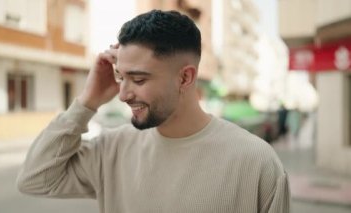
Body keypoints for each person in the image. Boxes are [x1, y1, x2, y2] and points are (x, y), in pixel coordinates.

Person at [17, 10, 290, 213]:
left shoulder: (256, 163)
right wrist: (87, 102)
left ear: (185, 78)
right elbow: (34, 179)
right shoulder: (111, 150)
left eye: (138, 79)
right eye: (121, 77)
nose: (123, 94)